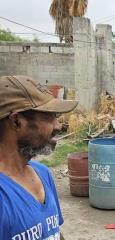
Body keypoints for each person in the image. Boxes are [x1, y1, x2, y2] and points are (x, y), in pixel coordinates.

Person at [0, 75, 78, 240]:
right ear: (16, 121)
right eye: (49, 116)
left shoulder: (43, 174)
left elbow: (53, 232)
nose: (58, 126)